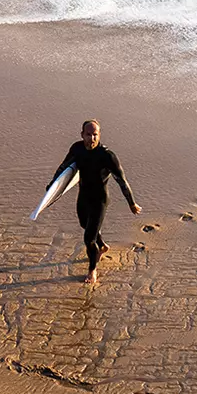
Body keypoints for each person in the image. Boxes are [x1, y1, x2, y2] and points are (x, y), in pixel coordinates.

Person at [47, 119, 143, 285]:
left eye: (95, 135)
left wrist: (131, 203)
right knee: (85, 225)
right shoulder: (77, 149)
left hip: (100, 200)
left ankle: (92, 270)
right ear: (82, 135)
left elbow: (122, 181)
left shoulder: (107, 156)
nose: (92, 138)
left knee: (88, 239)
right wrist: (52, 187)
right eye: (88, 134)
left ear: (99, 135)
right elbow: (64, 167)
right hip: (83, 196)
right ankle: (103, 246)